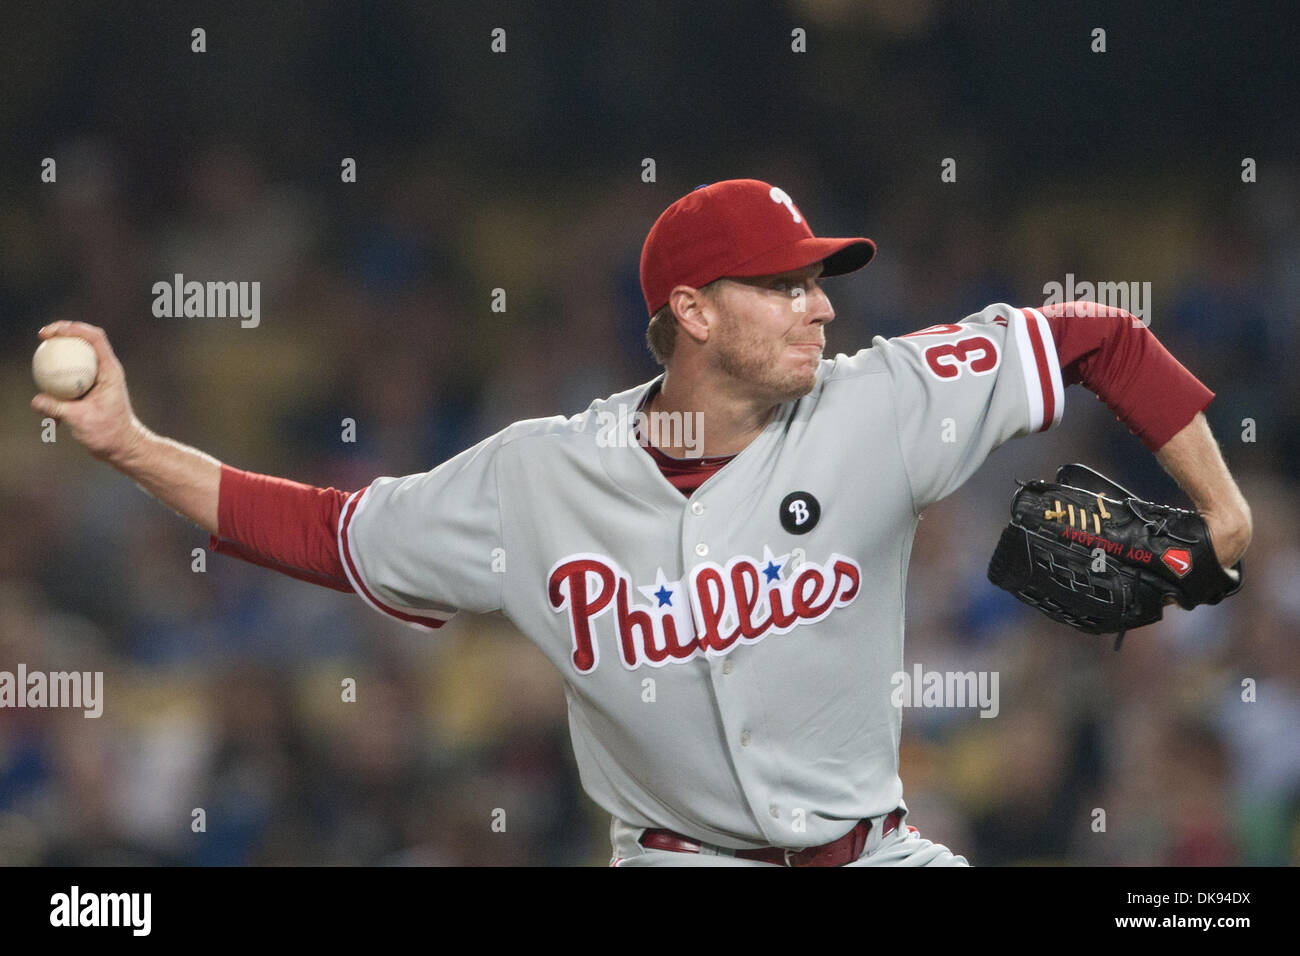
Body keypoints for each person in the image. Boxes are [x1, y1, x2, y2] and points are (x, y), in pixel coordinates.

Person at [32, 179, 1252, 866]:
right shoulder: (538, 479)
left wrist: (1222, 509)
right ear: (693, 312)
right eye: (782, 285)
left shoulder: (886, 399)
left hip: (874, 851)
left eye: (818, 278)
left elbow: (1098, 338)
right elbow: (325, 532)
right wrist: (133, 446)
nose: (820, 307)